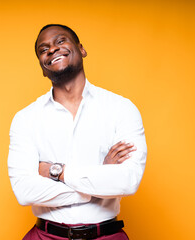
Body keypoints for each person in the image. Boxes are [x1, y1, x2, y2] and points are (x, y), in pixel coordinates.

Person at [8, 24, 147, 240]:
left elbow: (128, 181)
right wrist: (99, 180)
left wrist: (57, 172)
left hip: (107, 236)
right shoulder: (25, 119)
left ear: (81, 49)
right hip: (45, 236)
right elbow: (25, 191)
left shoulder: (121, 108)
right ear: (43, 68)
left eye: (61, 41)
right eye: (43, 50)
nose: (52, 49)